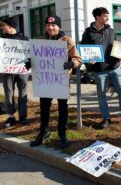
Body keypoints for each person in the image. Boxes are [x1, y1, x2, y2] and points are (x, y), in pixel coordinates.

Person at [28, 15, 81, 148]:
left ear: (59, 26)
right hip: (45, 80)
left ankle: (62, 134)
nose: (50, 28)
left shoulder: (67, 41)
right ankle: (43, 132)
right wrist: (30, 62)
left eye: (53, 25)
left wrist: (71, 63)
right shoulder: (41, 40)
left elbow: (77, 59)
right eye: (48, 25)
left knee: (63, 108)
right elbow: (36, 56)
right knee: (44, 108)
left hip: (60, 80)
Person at [81, 7, 121, 129]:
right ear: (97, 17)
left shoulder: (111, 31)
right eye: (105, 15)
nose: (107, 17)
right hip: (99, 70)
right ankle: (106, 118)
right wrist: (89, 61)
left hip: (115, 68)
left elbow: (117, 47)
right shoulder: (87, 33)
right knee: (102, 96)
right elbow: (83, 52)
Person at [0, 16, 29, 127]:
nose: (1, 28)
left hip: (21, 71)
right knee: (9, 93)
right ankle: (11, 116)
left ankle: (23, 116)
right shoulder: (0, 40)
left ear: (10, 26)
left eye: (3, 25)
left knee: (23, 93)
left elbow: (29, 54)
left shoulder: (24, 39)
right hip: (7, 71)